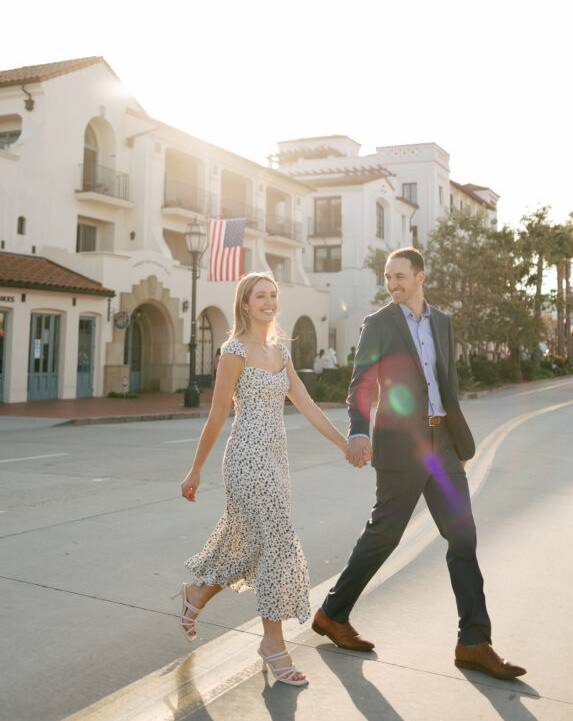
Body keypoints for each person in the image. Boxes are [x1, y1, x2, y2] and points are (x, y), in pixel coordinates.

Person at [312, 247, 526, 680]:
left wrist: (457, 440)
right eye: (387, 278)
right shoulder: (379, 324)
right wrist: (357, 429)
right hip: (402, 445)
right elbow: (361, 386)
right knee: (384, 535)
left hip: (442, 443)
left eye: (399, 277)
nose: (392, 285)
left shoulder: (443, 323)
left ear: (421, 276)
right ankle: (333, 614)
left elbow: (448, 383)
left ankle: (474, 642)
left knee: (462, 537)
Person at [178, 272, 348, 686]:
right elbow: (218, 414)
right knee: (278, 542)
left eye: (273, 295)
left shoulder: (279, 353)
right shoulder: (235, 350)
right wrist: (196, 468)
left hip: (276, 459)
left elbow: (306, 404)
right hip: (246, 458)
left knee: (253, 545)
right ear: (245, 304)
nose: (269, 302)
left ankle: (196, 593)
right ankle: (274, 644)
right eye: (260, 296)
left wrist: (344, 444)